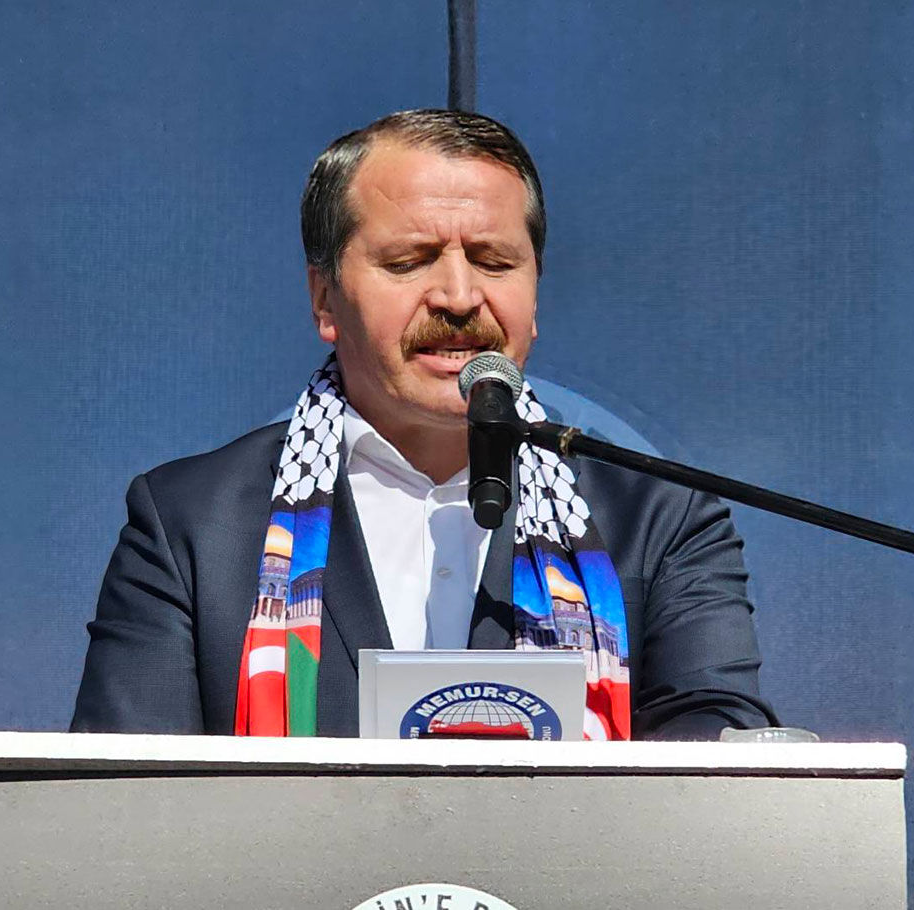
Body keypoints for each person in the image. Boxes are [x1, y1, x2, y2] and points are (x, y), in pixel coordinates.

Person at [71, 109, 778, 740]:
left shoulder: (659, 520)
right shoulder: (194, 523)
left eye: (494, 261)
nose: (459, 296)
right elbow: (128, 798)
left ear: (534, 296)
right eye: (409, 262)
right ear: (325, 300)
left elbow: (716, 759)